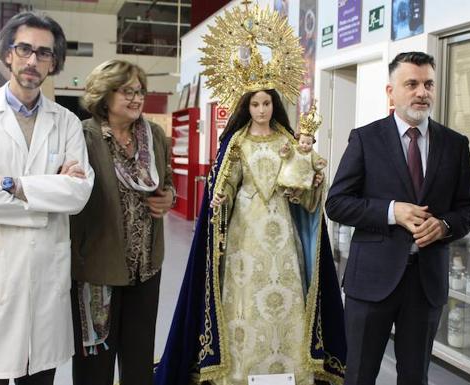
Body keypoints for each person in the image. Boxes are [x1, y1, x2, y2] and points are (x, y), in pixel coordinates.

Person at [155, 4, 346, 385]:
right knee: (243, 297)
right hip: (244, 230)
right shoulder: (237, 142)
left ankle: (288, 366)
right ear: (246, 106)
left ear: (275, 103)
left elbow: (303, 184)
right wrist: (220, 198)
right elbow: (224, 181)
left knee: (285, 292)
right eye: (255, 103)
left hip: (280, 229)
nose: (261, 109)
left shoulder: (288, 141)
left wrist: (310, 184)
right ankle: (239, 369)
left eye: (267, 102)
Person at [325, 51, 470, 385]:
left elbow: (468, 209)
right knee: (359, 374)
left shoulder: (455, 144)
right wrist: (391, 211)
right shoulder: (366, 139)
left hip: (426, 284)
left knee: (414, 377)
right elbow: (336, 204)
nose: (422, 92)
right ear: (391, 91)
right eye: (411, 84)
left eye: (428, 84)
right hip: (371, 281)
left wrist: (445, 226)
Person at [0, 11, 94, 385]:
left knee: (38, 378)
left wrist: (15, 186)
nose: (33, 60)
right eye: (24, 49)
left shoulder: (67, 122)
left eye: (44, 53)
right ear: (8, 54)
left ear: (54, 62)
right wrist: (44, 201)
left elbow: (78, 194)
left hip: (45, 287)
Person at [69, 59, 175, 385]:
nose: (136, 98)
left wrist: (168, 196)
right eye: (126, 91)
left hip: (146, 268)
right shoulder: (83, 136)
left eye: (140, 90)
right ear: (104, 93)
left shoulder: (153, 134)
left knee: (139, 361)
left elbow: (166, 180)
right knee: (95, 365)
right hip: (98, 271)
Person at [277, 103, 327, 203]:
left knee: (302, 187)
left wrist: (320, 167)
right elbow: (285, 155)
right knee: (289, 182)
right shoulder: (292, 147)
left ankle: (296, 196)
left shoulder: (312, 153)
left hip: (305, 178)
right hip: (291, 175)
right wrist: (285, 151)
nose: (305, 145)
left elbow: (316, 164)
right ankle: (289, 191)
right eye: (302, 142)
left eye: (308, 143)